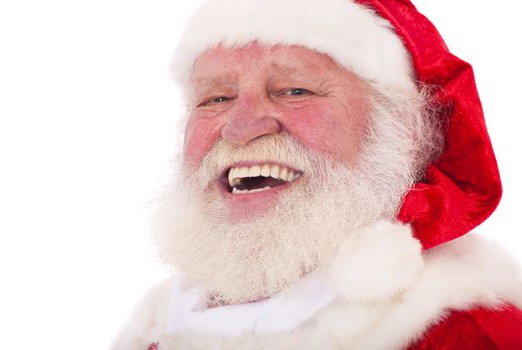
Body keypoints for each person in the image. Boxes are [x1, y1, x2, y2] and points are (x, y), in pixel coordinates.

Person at [112, 0, 522, 349]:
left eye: (295, 90)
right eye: (216, 98)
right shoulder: (158, 332)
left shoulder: (467, 336)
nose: (239, 128)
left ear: (405, 131)